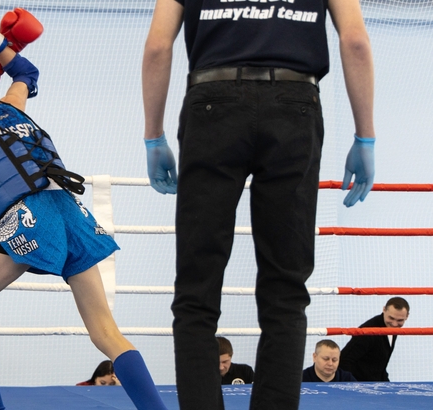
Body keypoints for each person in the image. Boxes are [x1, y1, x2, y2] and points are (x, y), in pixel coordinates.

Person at [0, 11, 168, 410]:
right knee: (105, 332)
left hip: (31, 217)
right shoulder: (11, 106)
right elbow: (26, 74)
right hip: (72, 212)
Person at [142, 0, 377, 407]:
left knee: (197, 286)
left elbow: (158, 47)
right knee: (286, 288)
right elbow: (355, 40)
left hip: (212, 103)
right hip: (295, 103)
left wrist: (153, 135)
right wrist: (365, 136)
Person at [340, 297, 410, 381]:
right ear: (384, 310)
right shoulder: (368, 331)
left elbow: (380, 365)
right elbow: (344, 361)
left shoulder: (390, 327)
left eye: (400, 320)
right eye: (391, 318)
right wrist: (356, 385)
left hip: (376, 382)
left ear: (407, 316)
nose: (394, 324)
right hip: (363, 384)